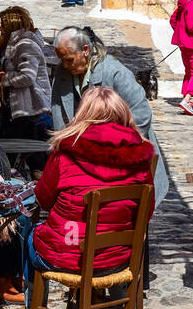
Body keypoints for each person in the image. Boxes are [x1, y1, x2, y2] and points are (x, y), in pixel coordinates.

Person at [25, 86, 155, 291]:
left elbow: (43, 199)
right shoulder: (138, 158)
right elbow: (145, 213)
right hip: (116, 259)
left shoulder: (65, 153)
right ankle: (114, 307)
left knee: (32, 236)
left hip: (66, 254)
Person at [51, 27, 169, 208]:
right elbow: (59, 114)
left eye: (69, 60)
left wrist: (114, 149)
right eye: (62, 60)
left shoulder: (114, 73)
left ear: (85, 50)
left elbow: (142, 115)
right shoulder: (62, 73)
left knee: (128, 215)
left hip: (122, 160)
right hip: (86, 163)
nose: (65, 65)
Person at [0, 7, 53, 140]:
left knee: (20, 150)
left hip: (29, 110)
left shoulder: (26, 44)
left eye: (3, 26)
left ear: (12, 27)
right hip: (22, 109)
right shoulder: (17, 44)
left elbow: (27, 76)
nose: (0, 29)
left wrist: (4, 78)